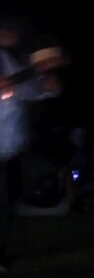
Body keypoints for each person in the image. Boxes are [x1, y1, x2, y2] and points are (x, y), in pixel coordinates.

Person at [0, 19, 64, 271]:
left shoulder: (11, 60)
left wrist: (48, 87)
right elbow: (5, 83)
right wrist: (38, 68)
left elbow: (29, 91)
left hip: (9, 149)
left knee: (7, 203)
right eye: (6, 31)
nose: (11, 36)